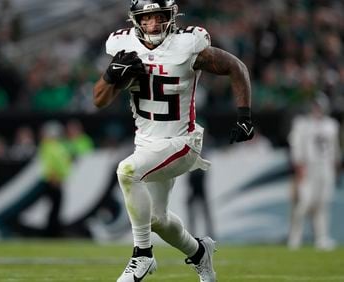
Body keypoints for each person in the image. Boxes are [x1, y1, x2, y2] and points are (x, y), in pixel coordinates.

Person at [92, 1, 254, 281]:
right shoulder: (125, 47)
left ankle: (142, 255)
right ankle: (200, 252)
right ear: (136, 20)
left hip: (183, 142)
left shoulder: (188, 45)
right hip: (147, 145)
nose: (153, 24)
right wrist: (110, 75)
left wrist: (245, 115)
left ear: (171, 17)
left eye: (159, 17)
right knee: (156, 219)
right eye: (147, 18)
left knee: (127, 172)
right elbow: (99, 100)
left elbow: (236, 67)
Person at [287, 95, 341, 251]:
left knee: (323, 203)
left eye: (319, 106)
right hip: (309, 167)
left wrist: (335, 166)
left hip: (325, 168)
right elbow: (296, 145)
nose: (317, 109)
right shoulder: (303, 124)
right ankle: (294, 238)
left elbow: (335, 149)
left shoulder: (331, 125)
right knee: (304, 202)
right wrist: (298, 164)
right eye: (315, 106)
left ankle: (321, 238)